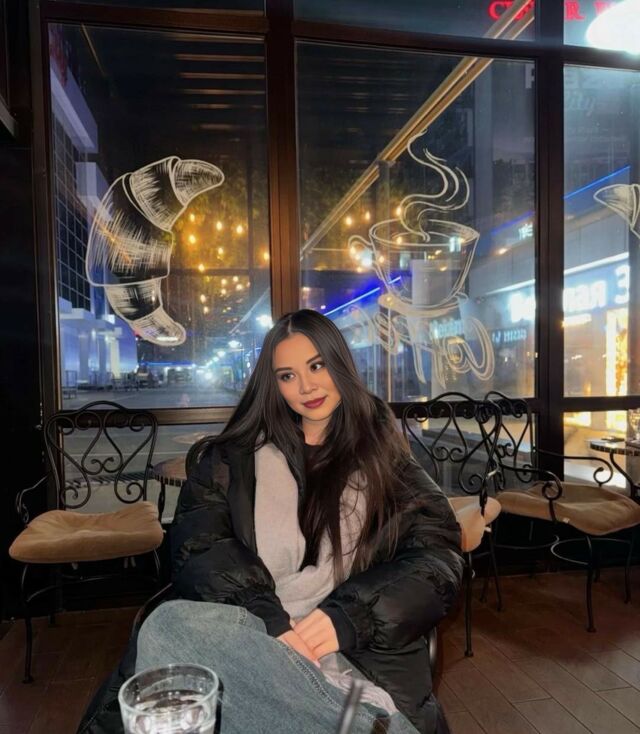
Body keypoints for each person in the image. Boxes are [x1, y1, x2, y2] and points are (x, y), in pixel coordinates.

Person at [79, 309, 463, 734]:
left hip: (357, 656)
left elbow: (437, 555)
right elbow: (200, 548)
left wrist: (351, 617)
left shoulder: (385, 457)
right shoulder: (229, 460)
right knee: (170, 625)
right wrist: (268, 620)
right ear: (273, 384)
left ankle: (356, 721)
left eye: (316, 366)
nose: (306, 387)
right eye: (287, 375)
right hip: (254, 641)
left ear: (340, 364)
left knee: (175, 647)